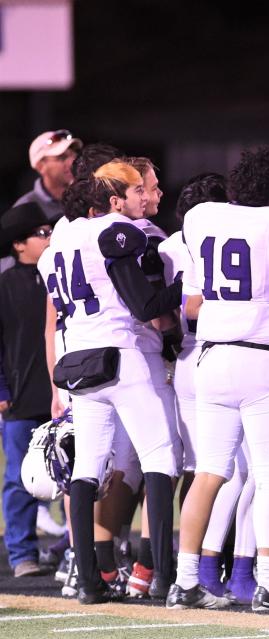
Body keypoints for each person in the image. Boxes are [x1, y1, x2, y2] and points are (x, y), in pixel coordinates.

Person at [167, 147, 269, 612]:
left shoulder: (201, 216)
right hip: (262, 359)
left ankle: (185, 581)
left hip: (210, 358)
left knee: (210, 472)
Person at [37, 160, 184, 604]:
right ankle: (160, 574)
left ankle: (87, 580)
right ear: (110, 201)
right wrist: (189, 287)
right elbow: (143, 306)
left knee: (87, 468)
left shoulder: (53, 248)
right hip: (121, 354)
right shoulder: (114, 230)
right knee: (161, 457)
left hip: (76, 362)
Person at [0, 202, 55, 578]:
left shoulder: (59, 276)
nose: (48, 238)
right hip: (20, 397)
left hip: (61, 393)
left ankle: (72, 548)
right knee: (19, 478)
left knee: (73, 476)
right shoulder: (5, 284)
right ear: (19, 244)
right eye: (41, 234)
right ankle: (22, 553)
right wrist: (2, 388)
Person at [15, 130, 84, 222]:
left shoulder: (90, 197)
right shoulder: (24, 209)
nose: (72, 162)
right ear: (41, 167)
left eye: (74, 155)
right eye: (62, 158)